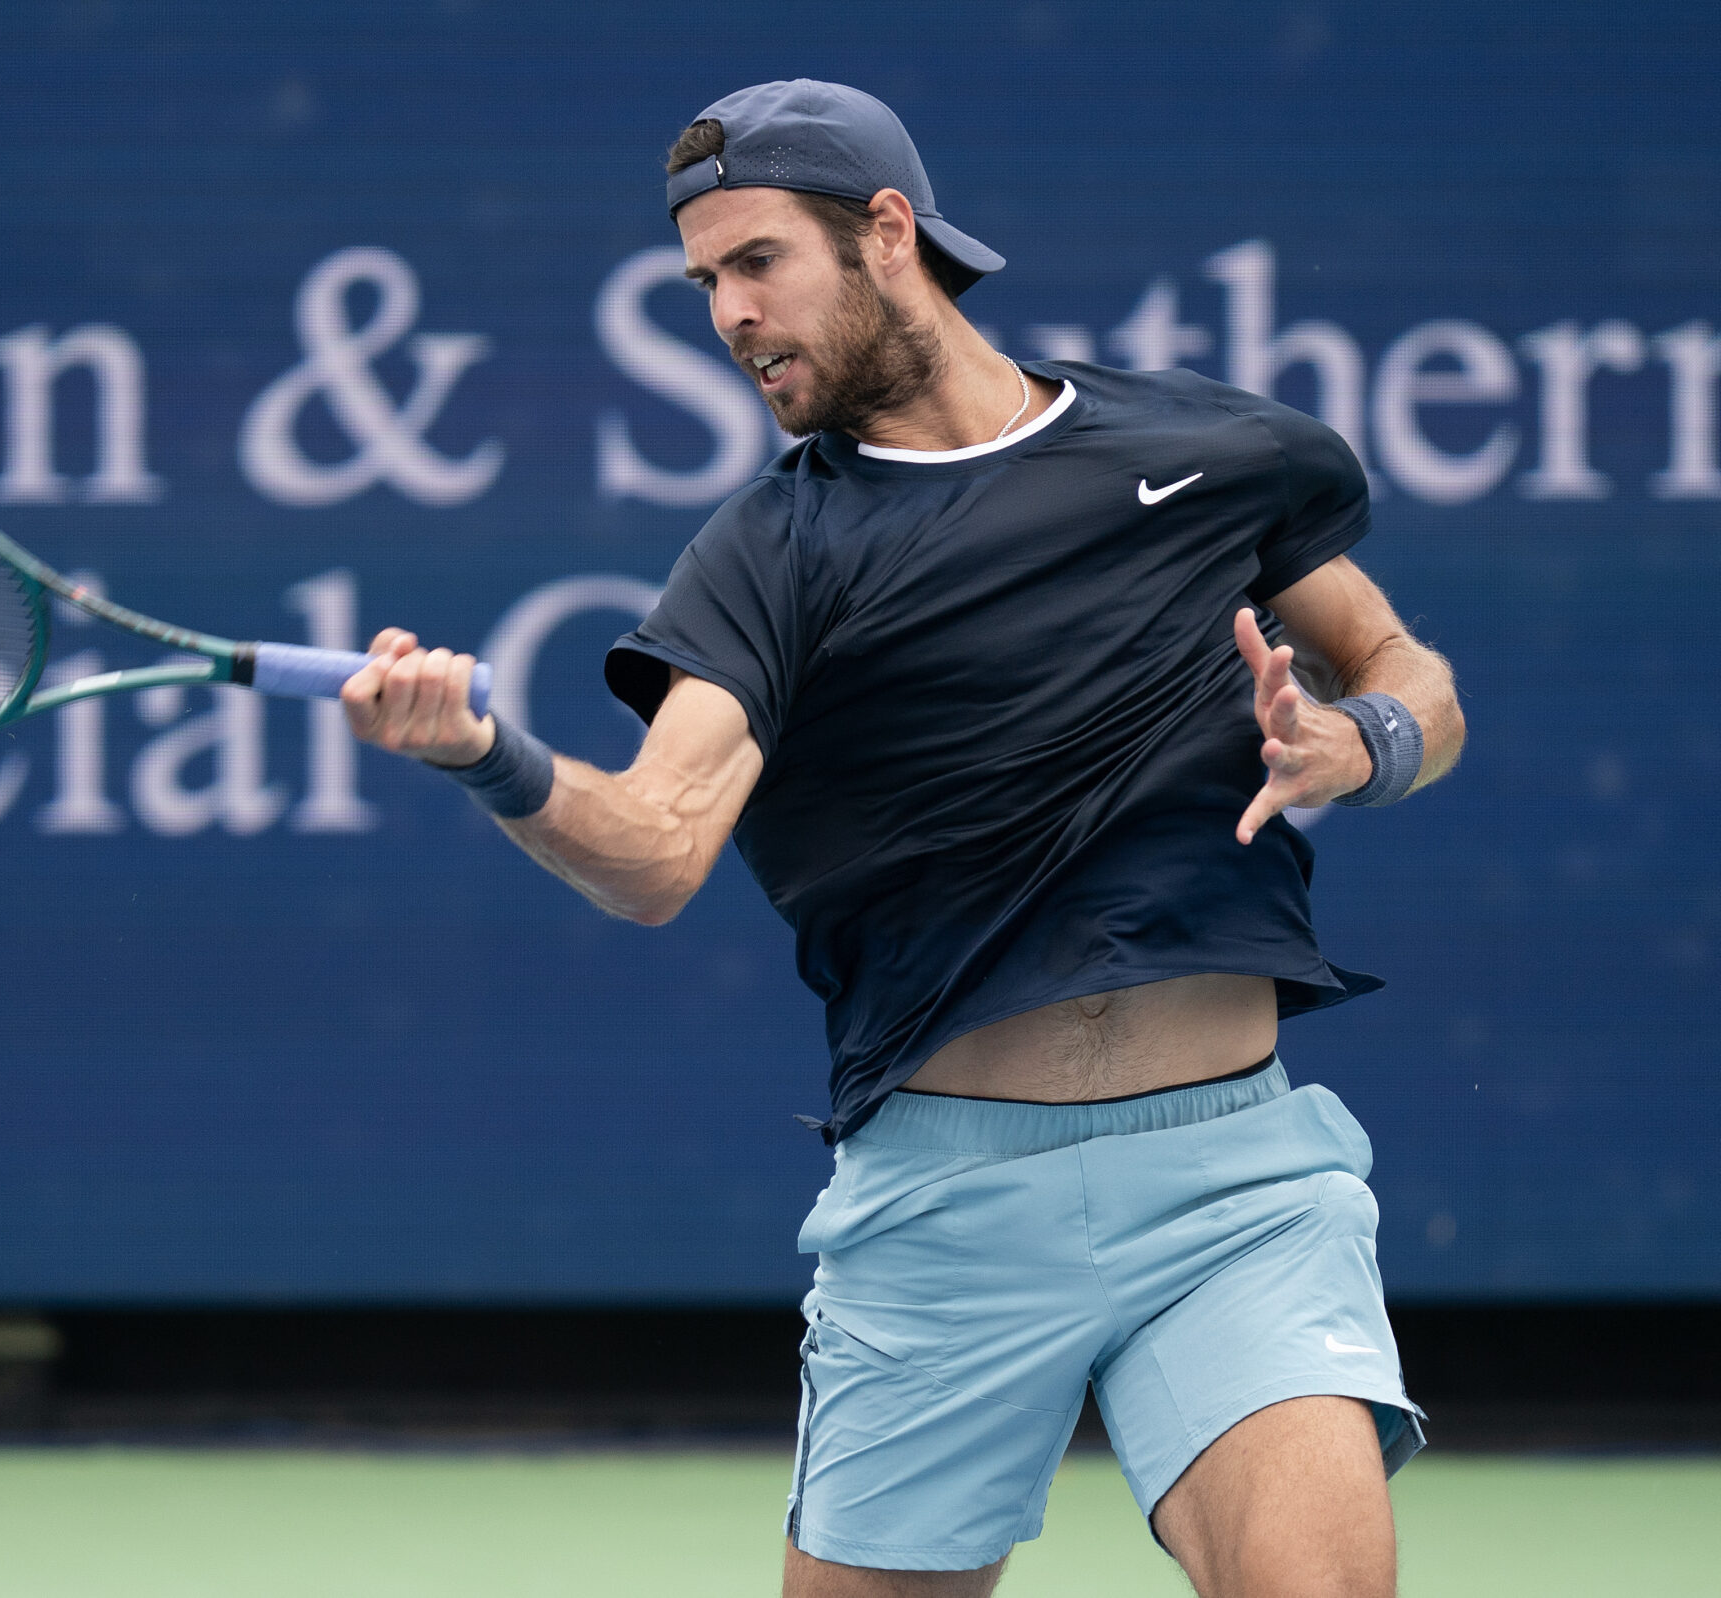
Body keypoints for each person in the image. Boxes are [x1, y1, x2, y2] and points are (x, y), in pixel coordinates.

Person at [342, 79, 1465, 1598]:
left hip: (1236, 1184)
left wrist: (1363, 740)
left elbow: (1406, 669)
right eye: (702, 287)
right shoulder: (770, 554)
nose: (728, 315)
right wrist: (490, 753)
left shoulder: (1210, 449)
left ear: (886, 233)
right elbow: (656, 846)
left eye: (756, 263)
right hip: (947, 1212)